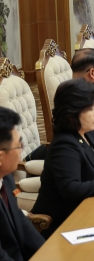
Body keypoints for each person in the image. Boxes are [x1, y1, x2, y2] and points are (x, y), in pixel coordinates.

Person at [32, 79, 94, 239]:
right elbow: (72, 190)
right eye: (91, 109)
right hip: (63, 226)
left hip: (91, 210)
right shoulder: (64, 145)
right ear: (73, 112)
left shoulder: (86, 132)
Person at [0, 107, 44, 260]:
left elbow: (18, 219)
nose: (22, 151)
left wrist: (47, 252)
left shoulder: (6, 178)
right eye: (19, 146)